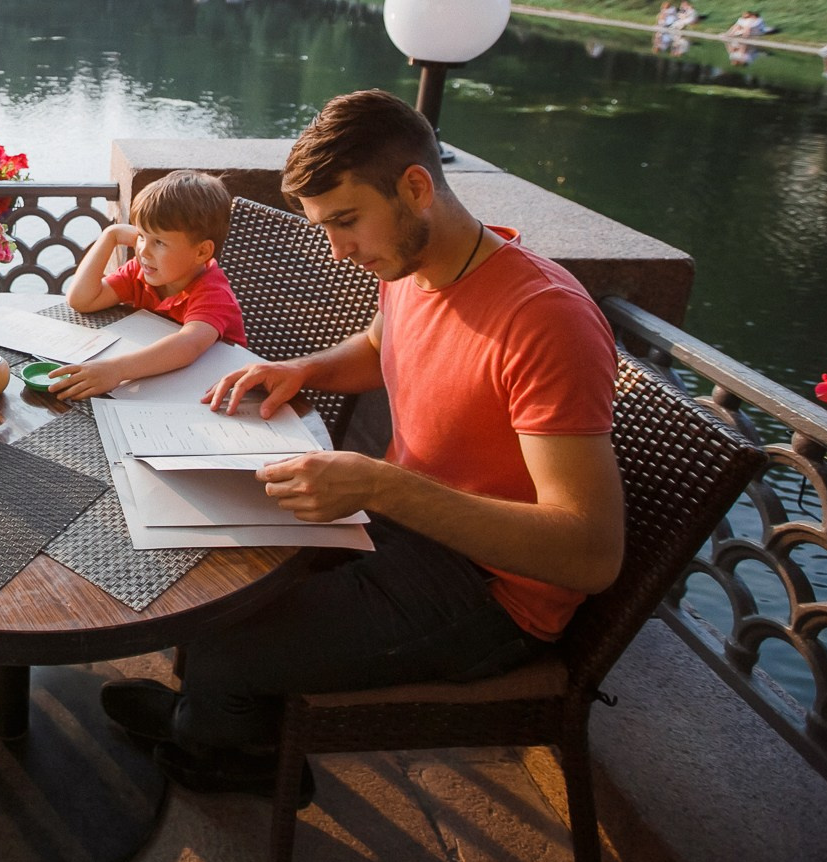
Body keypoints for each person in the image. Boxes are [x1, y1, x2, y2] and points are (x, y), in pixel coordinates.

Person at [99, 91, 622, 798]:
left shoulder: (545, 320)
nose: (338, 250)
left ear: (415, 186)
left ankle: (231, 759)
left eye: (345, 221)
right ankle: (218, 715)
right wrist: (305, 369)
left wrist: (381, 485)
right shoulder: (416, 264)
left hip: (492, 588)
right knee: (206, 571)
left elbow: (589, 553)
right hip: (409, 523)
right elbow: (383, 344)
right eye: (325, 227)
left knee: (224, 634)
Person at [50, 170, 247, 401]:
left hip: (212, 395)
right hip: (162, 383)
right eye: (141, 236)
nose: (142, 250)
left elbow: (187, 346)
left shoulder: (213, 294)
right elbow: (82, 300)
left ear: (202, 251)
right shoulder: (142, 273)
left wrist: (117, 370)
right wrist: (110, 236)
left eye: (159, 242)